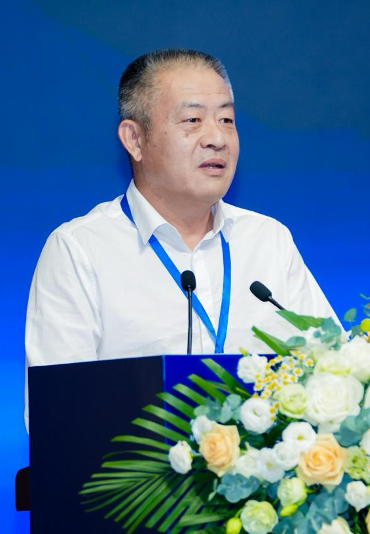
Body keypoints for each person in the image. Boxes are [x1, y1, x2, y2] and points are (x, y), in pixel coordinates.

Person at [24, 49, 336, 430]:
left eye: (227, 120)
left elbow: (337, 373)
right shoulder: (80, 251)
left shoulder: (268, 240)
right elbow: (58, 420)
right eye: (193, 120)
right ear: (135, 139)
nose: (217, 138)